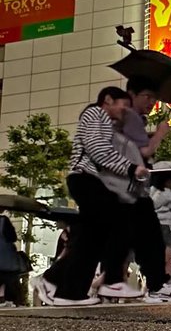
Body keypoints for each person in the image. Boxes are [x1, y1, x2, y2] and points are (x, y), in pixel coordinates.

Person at [36, 88, 150, 306]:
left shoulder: (107, 123)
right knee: (117, 221)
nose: (126, 111)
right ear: (108, 100)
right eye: (123, 105)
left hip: (91, 181)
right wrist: (130, 168)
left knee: (92, 236)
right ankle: (109, 280)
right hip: (84, 179)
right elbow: (97, 148)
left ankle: (61, 285)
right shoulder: (95, 113)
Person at [118, 82, 171, 304]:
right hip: (122, 189)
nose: (151, 102)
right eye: (147, 96)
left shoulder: (134, 119)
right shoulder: (128, 118)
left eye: (154, 98)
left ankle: (157, 285)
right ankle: (57, 280)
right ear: (132, 94)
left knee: (145, 241)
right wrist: (160, 133)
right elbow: (143, 152)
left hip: (131, 191)